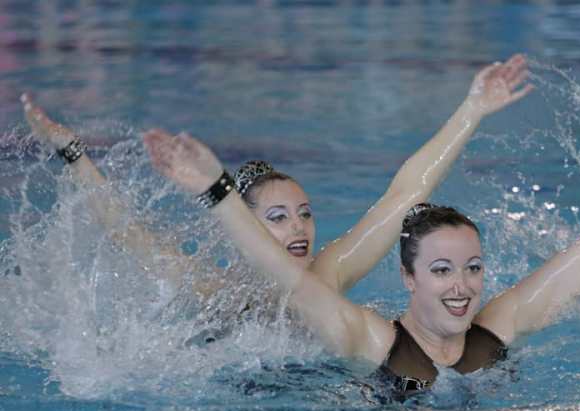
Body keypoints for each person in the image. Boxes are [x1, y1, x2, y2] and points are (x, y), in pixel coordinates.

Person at [146, 87, 580, 398]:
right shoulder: (368, 336)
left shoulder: (497, 327)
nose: (462, 286)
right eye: (443, 270)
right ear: (408, 278)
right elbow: (290, 282)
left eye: (473, 268)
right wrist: (217, 191)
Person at [21, 54, 533, 302]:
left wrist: (472, 109)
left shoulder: (330, 275)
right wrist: (72, 154)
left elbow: (406, 194)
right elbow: (127, 233)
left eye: (306, 214)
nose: (300, 228)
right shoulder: (213, 293)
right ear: (243, 225)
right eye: (279, 218)